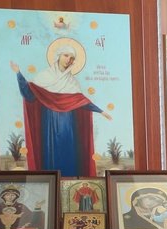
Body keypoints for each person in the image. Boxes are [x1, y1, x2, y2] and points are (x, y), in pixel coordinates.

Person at [10, 42, 112, 177]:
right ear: (58, 56)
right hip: (49, 121)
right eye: (66, 55)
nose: (68, 60)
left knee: (69, 150)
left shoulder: (72, 82)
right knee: (50, 152)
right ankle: (52, 182)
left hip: (67, 123)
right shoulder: (44, 76)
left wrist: (101, 111)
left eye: (71, 58)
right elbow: (29, 94)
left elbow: (80, 101)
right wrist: (18, 74)